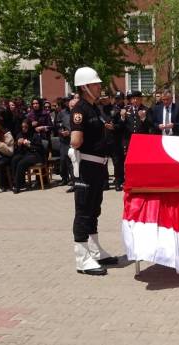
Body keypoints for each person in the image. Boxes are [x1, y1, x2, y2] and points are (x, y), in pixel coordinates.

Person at [69, 66, 118, 275]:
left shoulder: (94, 108)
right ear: (85, 86)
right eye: (96, 84)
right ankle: (82, 258)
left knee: (94, 208)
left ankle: (95, 250)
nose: (100, 87)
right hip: (87, 165)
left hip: (98, 165)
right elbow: (76, 140)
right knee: (83, 210)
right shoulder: (79, 109)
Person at [10, 119, 45, 194]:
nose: (24, 129)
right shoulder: (20, 134)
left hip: (35, 155)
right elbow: (18, 149)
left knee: (21, 163)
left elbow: (40, 148)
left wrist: (30, 145)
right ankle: (18, 182)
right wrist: (18, 144)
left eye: (25, 127)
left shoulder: (35, 135)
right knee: (14, 160)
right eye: (22, 127)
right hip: (25, 154)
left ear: (29, 127)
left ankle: (17, 186)